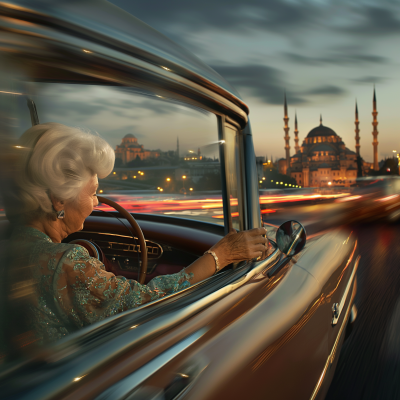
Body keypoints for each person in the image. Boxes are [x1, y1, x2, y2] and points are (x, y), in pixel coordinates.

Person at [6, 123, 269, 344]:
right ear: (59, 200)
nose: (97, 202)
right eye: (93, 192)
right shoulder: (66, 263)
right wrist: (221, 255)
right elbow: (148, 304)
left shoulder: (10, 244)